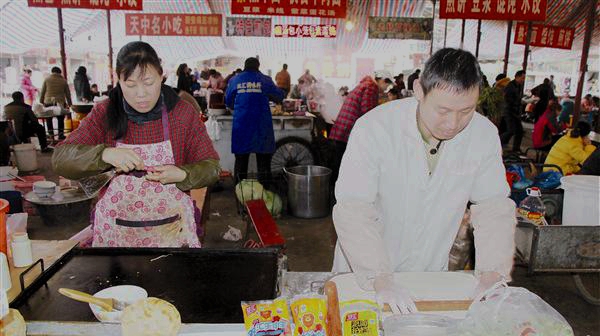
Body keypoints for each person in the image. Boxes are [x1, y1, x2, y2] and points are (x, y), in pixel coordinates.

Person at [332, 48, 516, 314]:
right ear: (419, 90)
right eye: (443, 110)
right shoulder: (375, 128)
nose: (452, 123)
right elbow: (353, 206)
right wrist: (379, 277)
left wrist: (492, 273)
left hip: (427, 272)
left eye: (466, 110)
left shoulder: (483, 134)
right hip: (363, 274)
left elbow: (493, 206)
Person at [52, 41, 220, 247]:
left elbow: (212, 168)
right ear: (119, 80)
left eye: (148, 82)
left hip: (171, 234)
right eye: (130, 85)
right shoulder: (104, 113)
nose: (141, 93)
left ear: (161, 75)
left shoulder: (183, 114)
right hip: (116, 234)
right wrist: (104, 155)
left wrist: (183, 175)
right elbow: (61, 159)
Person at [225, 57, 284, 185]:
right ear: (258, 66)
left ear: (245, 66)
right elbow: (279, 96)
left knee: (241, 161)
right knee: (263, 162)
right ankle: (265, 192)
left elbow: (228, 101)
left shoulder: (235, 80)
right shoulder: (265, 80)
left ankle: (240, 192)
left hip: (242, 126)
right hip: (261, 127)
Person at [328, 75, 386, 183]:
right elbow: (367, 111)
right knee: (342, 170)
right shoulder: (372, 87)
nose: (387, 87)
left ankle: (333, 195)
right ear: (380, 80)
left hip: (341, 130)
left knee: (337, 168)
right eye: (386, 83)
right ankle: (339, 197)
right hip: (347, 131)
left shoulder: (364, 84)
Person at [39, 66, 72, 140]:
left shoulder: (47, 80)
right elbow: (68, 94)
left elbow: (42, 92)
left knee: (49, 118)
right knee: (60, 119)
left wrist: (41, 102)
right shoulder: (63, 81)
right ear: (60, 73)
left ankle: (51, 135)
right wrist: (70, 104)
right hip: (60, 103)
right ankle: (61, 135)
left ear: (52, 72)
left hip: (48, 102)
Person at [500, 70, 526, 153]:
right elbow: (508, 100)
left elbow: (517, 98)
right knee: (510, 131)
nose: (523, 80)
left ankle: (516, 149)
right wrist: (520, 102)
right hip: (509, 111)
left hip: (516, 112)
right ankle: (497, 142)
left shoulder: (519, 86)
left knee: (520, 131)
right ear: (517, 77)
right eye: (522, 78)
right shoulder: (510, 86)